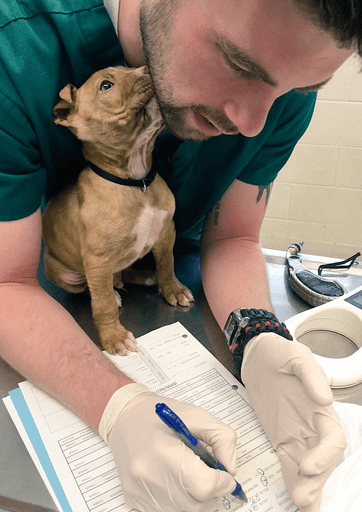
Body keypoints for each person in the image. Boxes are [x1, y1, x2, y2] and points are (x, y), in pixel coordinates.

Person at [0, 0, 360, 511]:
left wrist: (258, 337)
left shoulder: (278, 86)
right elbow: (7, 282)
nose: (254, 125)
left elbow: (233, 239)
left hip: (177, 278)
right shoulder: (14, 53)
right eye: (239, 64)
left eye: (293, 91)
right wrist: (117, 406)